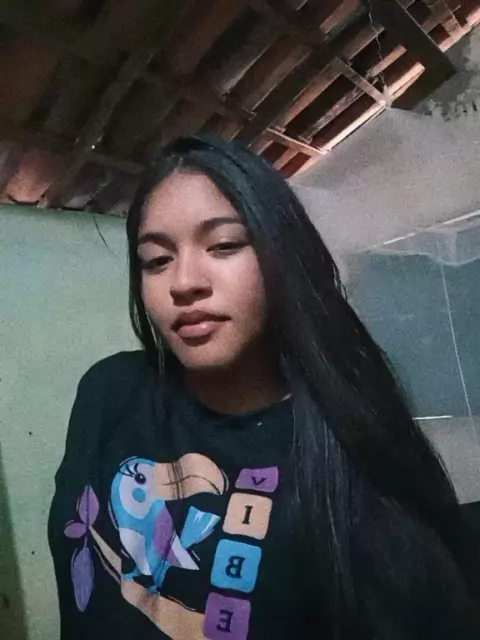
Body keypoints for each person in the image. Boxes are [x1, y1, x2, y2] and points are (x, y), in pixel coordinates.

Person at [49, 135, 480, 640]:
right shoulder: (108, 392)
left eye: (224, 245)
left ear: (282, 256)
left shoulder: (347, 462)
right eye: (156, 259)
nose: (183, 282)